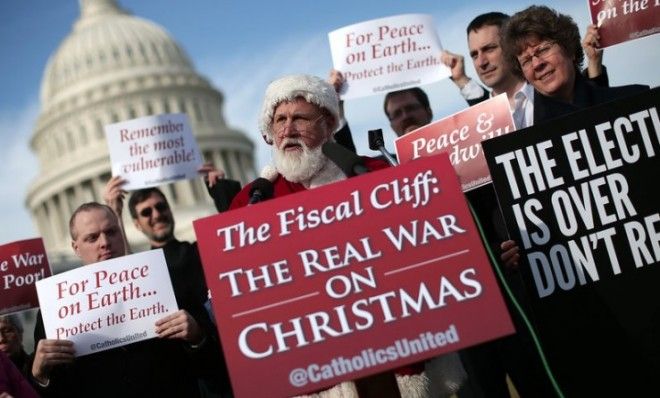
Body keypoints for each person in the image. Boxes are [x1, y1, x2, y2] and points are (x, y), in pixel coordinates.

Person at [231, 74, 443, 397]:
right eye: (280, 120)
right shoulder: (251, 201)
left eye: (300, 118)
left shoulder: (373, 174)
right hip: (313, 369)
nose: (288, 130)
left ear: (328, 125)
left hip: (391, 349)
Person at [30, 203, 216, 397]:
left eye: (111, 232)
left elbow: (214, 367)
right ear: (76, 248)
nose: (104, 242)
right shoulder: (54, 310)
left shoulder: (166, 280)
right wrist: (39, 374)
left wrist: (197, 337)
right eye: (92, 238)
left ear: (121, 232)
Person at [103, 169, 233, 398]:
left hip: (224, 362)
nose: (156, 215)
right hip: (178, 377)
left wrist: (222, 191)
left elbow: (239, 240)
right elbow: (125, 274)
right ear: (136, 224)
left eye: (161, 207)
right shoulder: (143, 270)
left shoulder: (199, 250)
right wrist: (114, 213)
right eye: (146, 212)